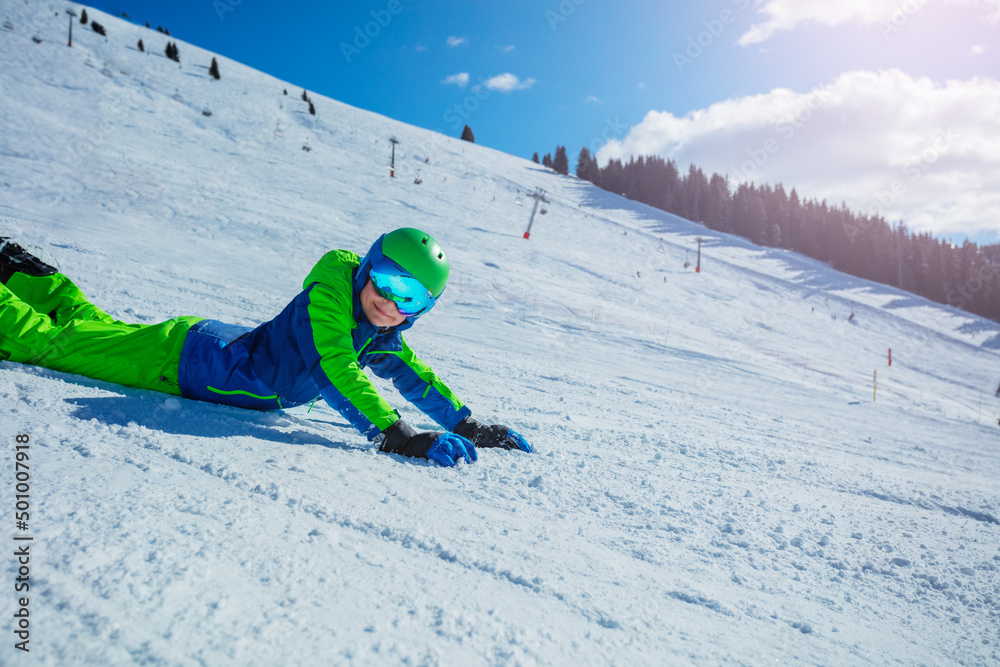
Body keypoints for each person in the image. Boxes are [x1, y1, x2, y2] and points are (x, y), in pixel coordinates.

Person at [0, 230, 531, 467]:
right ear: (366, 268)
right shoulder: (327, 302)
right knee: (50, 346)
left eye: (409, 296)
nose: (391, 301)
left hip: (207, 346)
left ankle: (18, 269)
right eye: (388, 280)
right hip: (184, 363)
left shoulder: (377, 330)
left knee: (94, 330)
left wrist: (464, 425)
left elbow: (414, 375)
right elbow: (336, 369)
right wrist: (398, 435)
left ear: (421, 310)